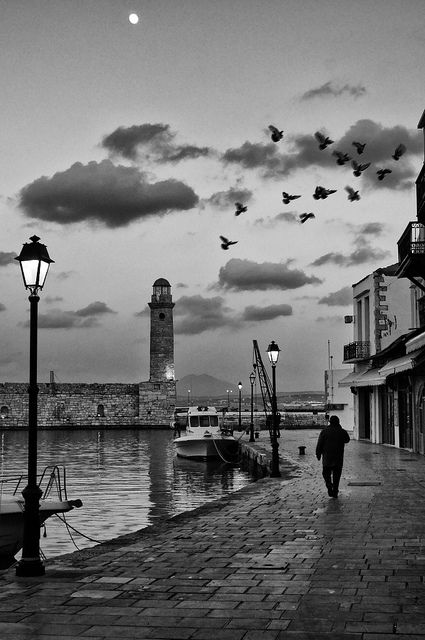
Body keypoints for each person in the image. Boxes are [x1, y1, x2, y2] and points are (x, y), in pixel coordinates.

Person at [316, 415, 350, 498]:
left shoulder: (324, 431)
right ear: (338, 422)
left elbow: (319, 443)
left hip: (327, 457)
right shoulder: (342, 431)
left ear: (330, 422)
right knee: (336, 476)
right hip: (338, 457)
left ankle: (329, 485)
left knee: (326, 474)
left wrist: (318, 454)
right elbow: (347, 440)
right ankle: (335, 491)